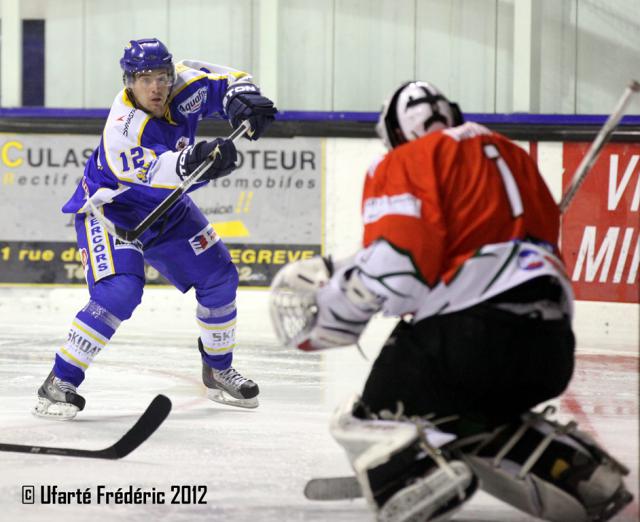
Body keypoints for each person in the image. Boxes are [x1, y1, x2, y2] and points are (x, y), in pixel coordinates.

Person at [270, 81, 632, 521]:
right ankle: (575, 472)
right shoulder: (513, 156)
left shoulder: (408, 159)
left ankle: (411, 478)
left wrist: (338, 308)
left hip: (476, 339)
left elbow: (399, 269)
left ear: (397, 134)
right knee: (470, 417)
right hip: (552, 349)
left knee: (374, 413)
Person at [34, 37, 277, 419]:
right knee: (120, 291)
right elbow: (160, 172)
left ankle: (217, 369)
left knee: (220, 278)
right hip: (113, 213)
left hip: (168, 209)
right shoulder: (123, 127)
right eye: (145, 79)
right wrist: (199, 159)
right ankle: (58, 381)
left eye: (162, 76)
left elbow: (232, 80)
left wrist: (243, 100)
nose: (156, 87)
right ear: (128, 81)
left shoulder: (185, 85)